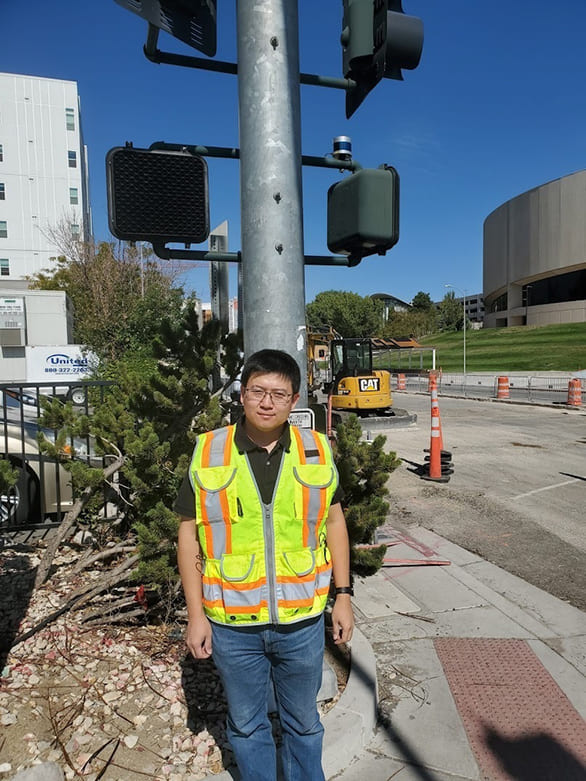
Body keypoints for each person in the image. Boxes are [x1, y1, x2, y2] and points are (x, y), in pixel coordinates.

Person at [176, 348, 354, 781]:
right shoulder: (208, 452)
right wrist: (195, 615)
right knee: (247, 725)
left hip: (302, 622)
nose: (267, 402)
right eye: (258, 390)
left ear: (294, 400)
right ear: (242, 393)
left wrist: (344, 597)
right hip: (233, 626)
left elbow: (334, 521)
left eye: (279, 393)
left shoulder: (317, 449)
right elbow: (187, 534)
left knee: (304, 724)